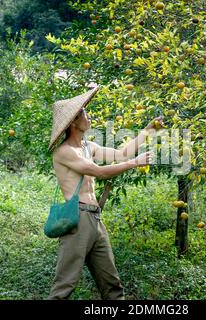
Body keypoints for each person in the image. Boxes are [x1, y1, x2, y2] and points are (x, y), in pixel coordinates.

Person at [47, 85, 163, 300]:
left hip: (95, 219)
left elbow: (121, 154)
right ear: (73, 121)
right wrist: (134, 163)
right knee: (64, 286)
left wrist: (147, 132)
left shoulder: (87, 147)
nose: (88, 115)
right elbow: (98, 172)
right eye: (83, 112)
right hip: (77, 220)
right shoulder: (64, 152)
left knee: (112, 284)